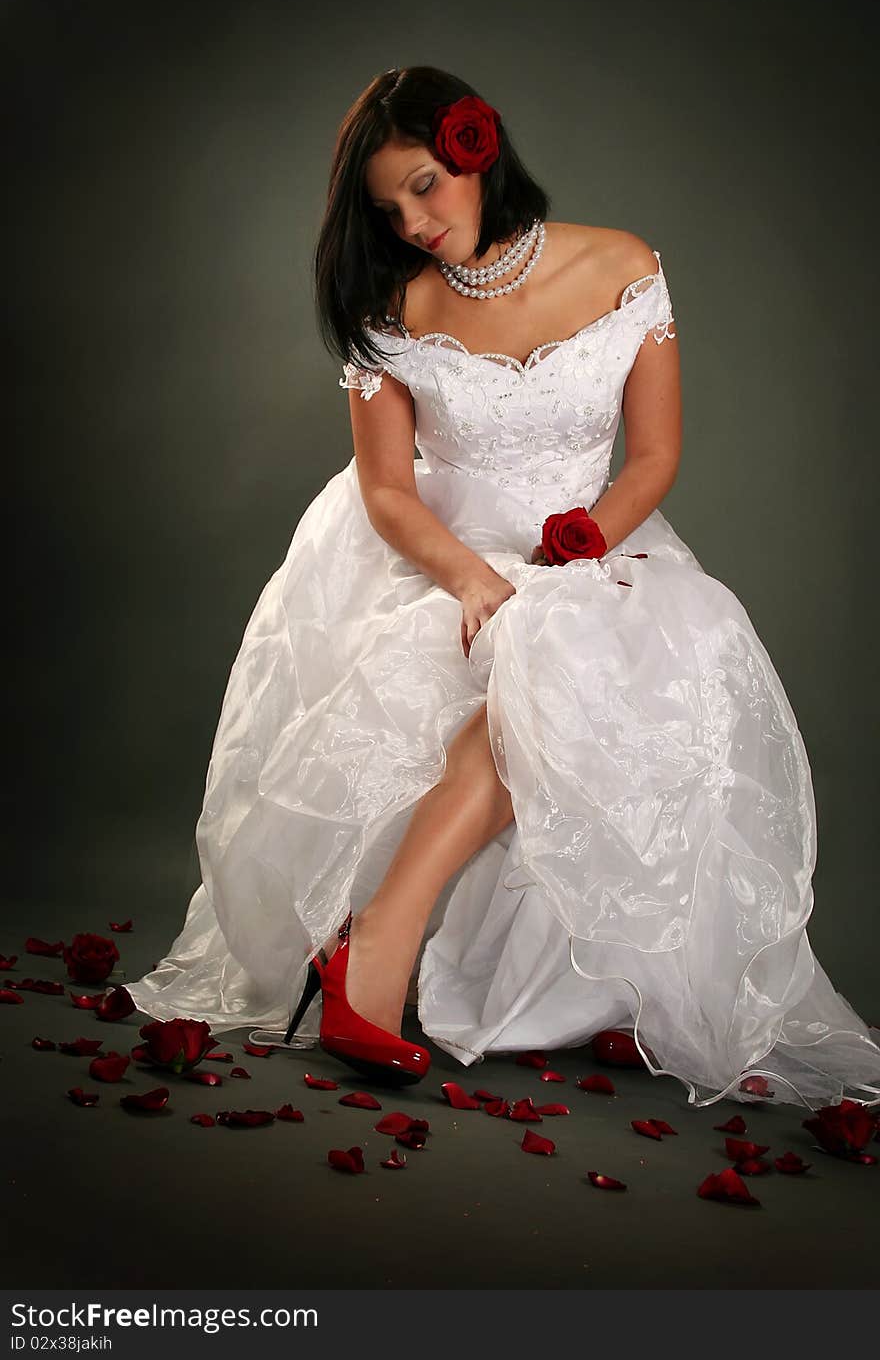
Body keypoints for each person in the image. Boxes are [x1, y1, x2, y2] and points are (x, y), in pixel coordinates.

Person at [123, 65, 880, 1110]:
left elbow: (654, 455)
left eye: (426, 184)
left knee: (596, 646)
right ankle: (379, 955)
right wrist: (475, 577)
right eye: (389, 206)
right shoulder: (389, 303)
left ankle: (401, 957)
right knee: (535, 654)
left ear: (478, 151)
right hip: (436, 554)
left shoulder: (623, 265)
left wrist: (581, 547)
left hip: (594, 546)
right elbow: (387, 491)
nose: (414, 219)